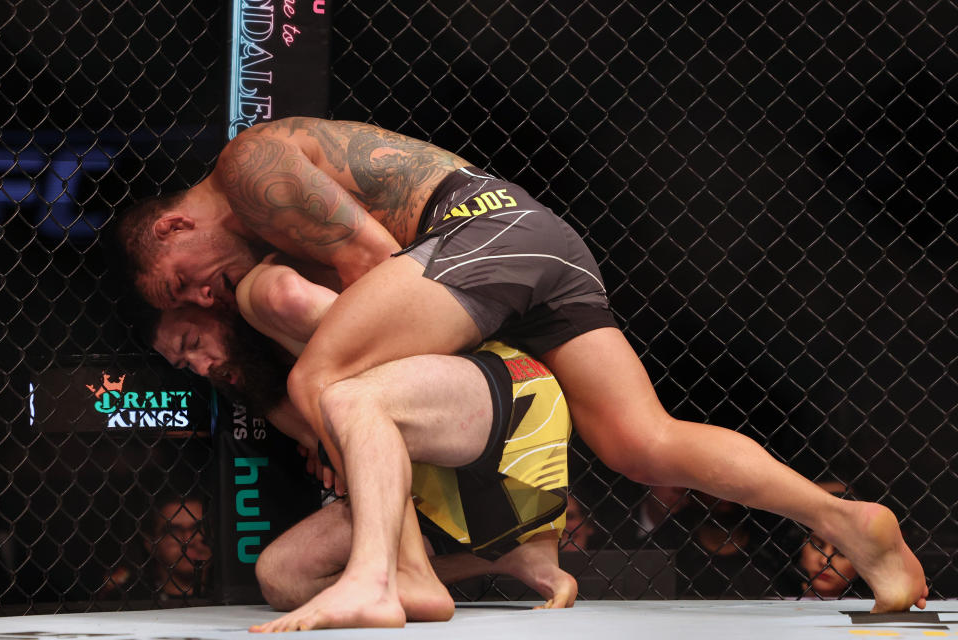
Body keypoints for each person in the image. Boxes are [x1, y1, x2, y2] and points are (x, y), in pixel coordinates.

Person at [115, 116, 926, 627]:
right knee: (642, 443)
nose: (200, 296)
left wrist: (405, 396)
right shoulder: (257, 243)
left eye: (181, 279)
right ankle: (851, 523)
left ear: (177, 224)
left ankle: (391, 577)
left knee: (325, 378)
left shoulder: (248, 167)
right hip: (535, 245)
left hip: (479, 234)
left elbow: (375, 261)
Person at [146, 266, 578, 629]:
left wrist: (344, 429)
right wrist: (336, 446)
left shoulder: (275, 295)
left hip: (498, 405)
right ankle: (500, 559)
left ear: (213, 305)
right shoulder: (266, 390)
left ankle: (390, 581)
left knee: (349, 398)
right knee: (281, 577)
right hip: (437, 480)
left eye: (195, 345)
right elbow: (352, 454)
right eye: (187, 367)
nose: (205, 368)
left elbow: (395, 352)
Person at [101, 493, 211, 602]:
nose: (189, 539)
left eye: (198, 528)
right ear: (151, 544)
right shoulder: (130, 602)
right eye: (174, 531)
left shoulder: (225, 598)